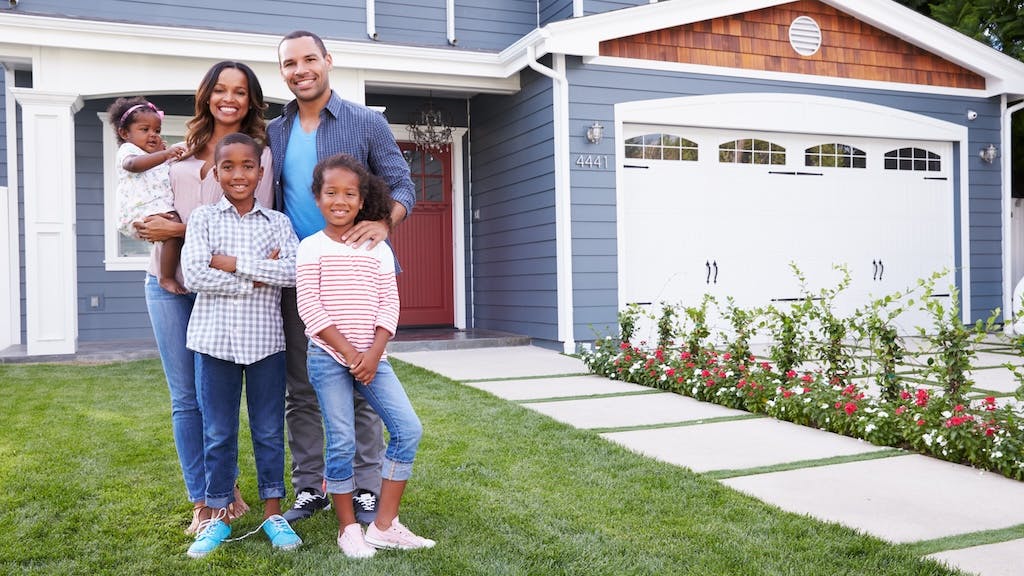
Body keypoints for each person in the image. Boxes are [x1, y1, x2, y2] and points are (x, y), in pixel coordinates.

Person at [269, 30, 417, 524]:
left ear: (328, 61)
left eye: (309, 58)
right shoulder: (275, 131)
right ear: (283, 72)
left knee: (364, 384)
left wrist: (384, 221)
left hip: (359, 277)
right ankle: (311, 487)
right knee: (303, 387)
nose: (300, 69)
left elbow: (402, 184)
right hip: (302, 278)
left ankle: (367, 487)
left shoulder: (364, 123)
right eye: (290, 63)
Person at [134, 60, 273, 535]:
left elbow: (253, 229)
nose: (228, 98)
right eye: (220, 89)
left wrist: (177, 227)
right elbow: (150, 207)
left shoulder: (260, 155)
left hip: (223, 292)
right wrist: (151, 225)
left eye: (239, 91)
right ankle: (206, 498)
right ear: (207, 95)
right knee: (184, 398)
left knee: (220, 398)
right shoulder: (179, 150)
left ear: (251, 99)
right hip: (167, 284)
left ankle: (223, 486)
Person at [297, 153, 433, 557]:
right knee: (342, 441)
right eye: (331, 192)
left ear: (361, 200)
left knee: (408, 430)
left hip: (374, 358)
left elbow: (389, 305)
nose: (340, 200)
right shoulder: (310, 248)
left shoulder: (378, 248)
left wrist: (373, 354)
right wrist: (351, 354)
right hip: (328, 357)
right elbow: (310, 309)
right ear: (317, 198)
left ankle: (384, 525)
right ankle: (347, 528)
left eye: (349, 193)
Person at [181, 132, 302, 559]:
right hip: (214, 342)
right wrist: (256, 274)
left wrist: (231, 265)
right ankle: (216, 515)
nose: (238, 174)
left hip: (266, 342)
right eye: (228, 167)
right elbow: (194, 275)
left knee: (269, 430)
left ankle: (273, 513)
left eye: (247, 166)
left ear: (260, 171)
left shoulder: (278, 224)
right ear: (216, 172)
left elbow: (291, 272)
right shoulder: (202, 219)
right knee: (218, 432)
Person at [108, 96, 186, 295]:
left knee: (172, 232)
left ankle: (167, 274)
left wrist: (165, 155)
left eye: (157, 130)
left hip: (155, 207)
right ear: (125, 133)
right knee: (173, 229)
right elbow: (133, 165)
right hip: (139, 209)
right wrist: (164, 154)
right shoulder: (128, 150)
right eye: (145, 130)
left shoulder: (155, 155)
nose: (153, 135)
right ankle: (165, 277)